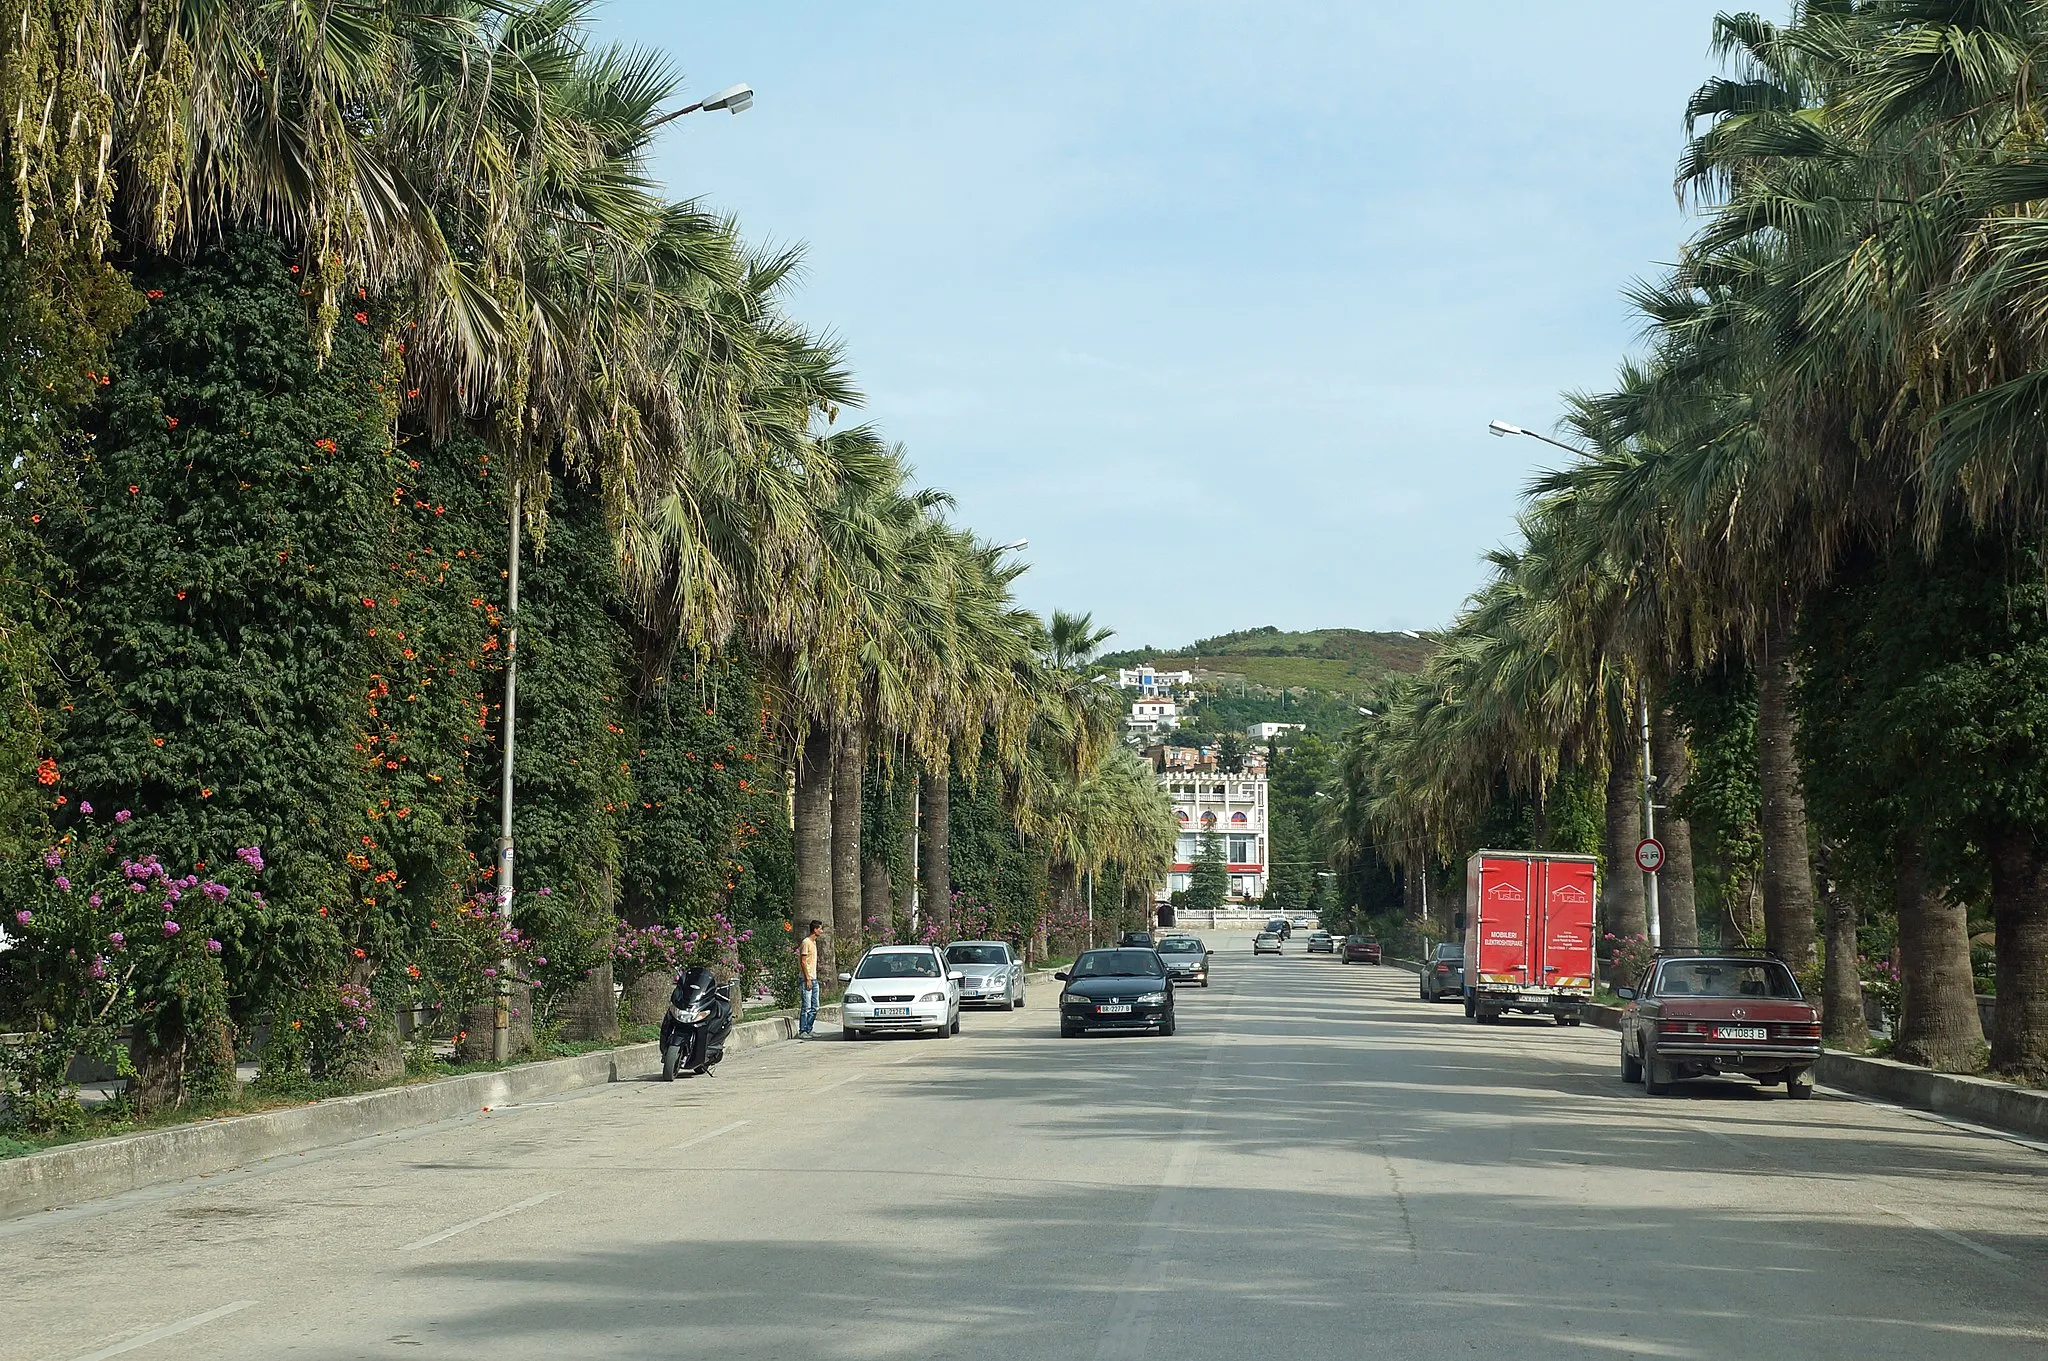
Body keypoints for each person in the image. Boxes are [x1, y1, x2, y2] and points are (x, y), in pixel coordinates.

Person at [797, 919, 823, 1037]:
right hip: (806, 978)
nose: (821, 931)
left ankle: (809, 1028)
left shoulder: (814, 943)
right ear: (815, 929)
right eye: (820, 929)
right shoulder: (806, 942)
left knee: (815, 1006)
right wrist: (807, 978)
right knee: (806, 1006)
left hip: (814, 978)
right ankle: (802, 1030)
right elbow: (803, 961)